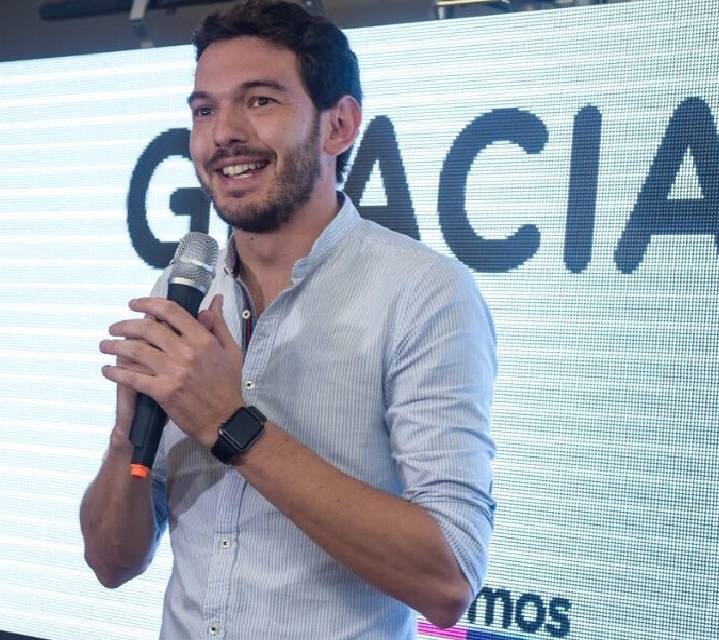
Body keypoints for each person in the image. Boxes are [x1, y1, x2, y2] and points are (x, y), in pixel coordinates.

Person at [78, 1, 497, 638]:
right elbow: (111, 563)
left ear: (339, 126)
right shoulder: (185, 291)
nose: (223, 134)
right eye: (204, 110)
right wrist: (125, 442)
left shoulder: (423, 293)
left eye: (260, 101)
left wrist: (229, 423)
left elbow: (448, 581)